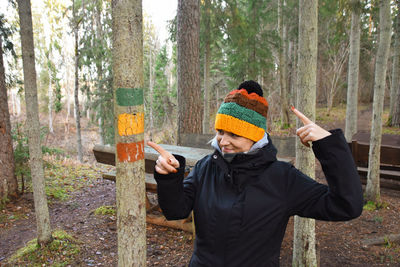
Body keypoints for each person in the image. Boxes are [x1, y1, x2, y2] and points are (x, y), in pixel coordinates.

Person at [148, 80, 363, 267]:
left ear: (254, 136)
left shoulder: (282, 178)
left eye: (234, 134)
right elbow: (175, 210)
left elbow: (346, 205)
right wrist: (170, 177)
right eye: (220, 131)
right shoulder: (207, 167)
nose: (223, 141)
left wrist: (329, 146)